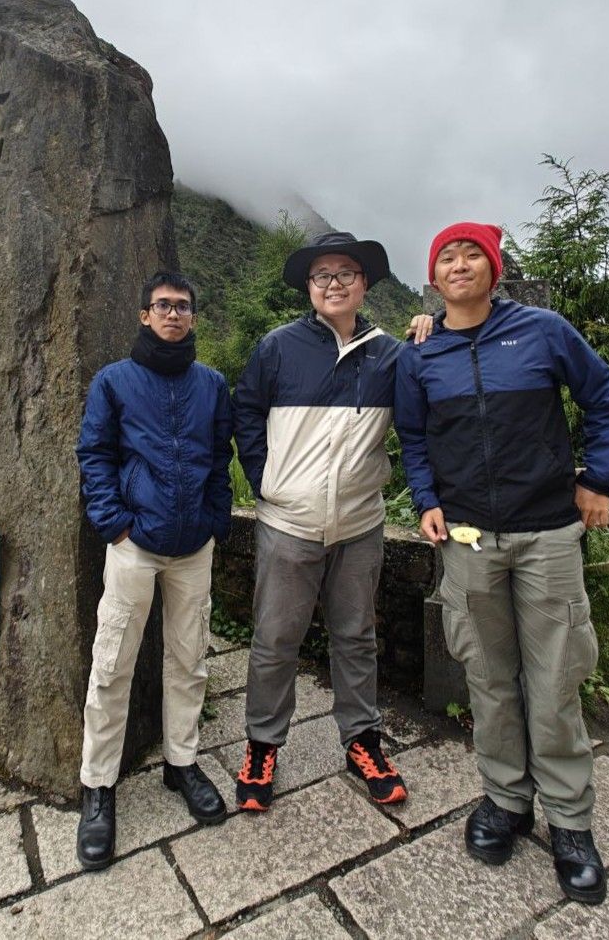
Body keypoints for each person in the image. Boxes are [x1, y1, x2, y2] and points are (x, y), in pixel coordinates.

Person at [394, 222, 609, 906]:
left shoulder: (544, 332)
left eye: (472, 253)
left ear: (493, 269)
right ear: (433, 276)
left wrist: (600, 478)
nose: (459, 262)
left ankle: (571, 820)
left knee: (555, 677)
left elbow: (605, 400)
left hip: (549, 530)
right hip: (466, 535)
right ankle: (504, 799)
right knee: (489, 676)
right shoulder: (421, 354)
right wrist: (428, 498)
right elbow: (414, 436)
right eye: (447, 254)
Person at [232, 231, 417, 812]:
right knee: (275, 639)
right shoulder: (279, 347)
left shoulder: (391, 354)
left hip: (359, 522)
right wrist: (266, 480)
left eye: (345, 274)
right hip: (289, 522)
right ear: (309, 288)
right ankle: (263, 744)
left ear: (364, 284)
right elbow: (245, 411)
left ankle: (362, 739)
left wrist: (429, 330)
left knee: (356, 635)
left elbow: (423, 410)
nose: (333, 284)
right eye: (322, 276)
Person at [75, 270, 233, 870]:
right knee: (113, 662)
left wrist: (217, 516)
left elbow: (221, 455)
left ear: (193, 316)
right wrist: (114, 522)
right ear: (144, 315)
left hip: (195, 545)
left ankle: (182, 763)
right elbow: (95, 453)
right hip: (135, 543)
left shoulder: (212, 384)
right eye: (163, 306)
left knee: (188, 659)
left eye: (183, 306)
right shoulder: (114, 381)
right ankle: (98, 785)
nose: (173, 314)